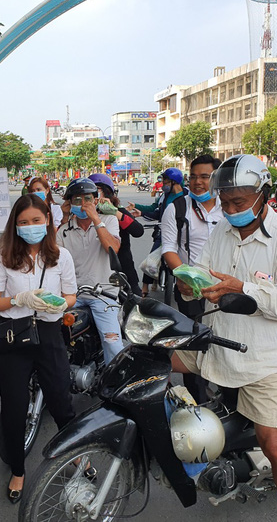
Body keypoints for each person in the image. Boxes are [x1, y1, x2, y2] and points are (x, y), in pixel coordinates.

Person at [172, 154, 277, 522]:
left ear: (263, 195)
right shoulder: (221, 230)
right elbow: (203, 273)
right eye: (225, 202)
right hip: (219, 340)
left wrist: (244, 288)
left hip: (265, 358)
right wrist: (191, 285)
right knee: (152, 361)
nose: (230, 209)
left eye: (239, 202)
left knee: (275, 442)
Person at [0, 194, 77, 503]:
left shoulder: (61, 256)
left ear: (47, 220)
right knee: (13, 408)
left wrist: (61, 304)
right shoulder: (4, 256)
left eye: (36, 220)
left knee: (61, 402)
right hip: (15, 338)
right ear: (15, 225)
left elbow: (71, 295)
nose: (30, 227)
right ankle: (18, 470)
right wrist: (18, 300)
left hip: (50, 335)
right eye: (23, 222)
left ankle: (77, 455)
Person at [160, 155, 223, 402]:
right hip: (192, 290)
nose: (198, 182)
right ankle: (200, 401)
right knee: (195, 346)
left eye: (205, 177)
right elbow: (169, 250)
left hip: (225, 287)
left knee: (226, 341)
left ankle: (227, 392)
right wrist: (186, 278)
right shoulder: (177, 208)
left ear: (216, 178)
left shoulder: (228, 207)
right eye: (193, 176)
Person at [57, 178, 123, 363]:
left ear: (96, 200)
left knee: (113, 344)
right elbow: (53, 262)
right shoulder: (63, 231)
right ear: (69, 204)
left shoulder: (108, 221)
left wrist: (95, 219)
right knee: (54, 336)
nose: (83, 204)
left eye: (88, 199)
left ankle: (112, 385)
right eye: (77, 200)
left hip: (103, 295)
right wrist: (63, 218)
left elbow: (113, 249)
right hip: (72, 296)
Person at [128, 167, 187, 296]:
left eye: (165, 182)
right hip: (164, 232)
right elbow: (156, 211)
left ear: (174, 182)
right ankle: (145, 287)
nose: (163, 185)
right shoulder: (163, 197)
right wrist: (139, 210)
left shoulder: (187, 197)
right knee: (151, 261)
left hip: (182, 234)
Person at [88, 173, 144, 296]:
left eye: (96, 191)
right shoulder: (83, 215)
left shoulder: (117, 210)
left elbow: (138, 231)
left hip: (122, 269)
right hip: (94, 274)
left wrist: (115, 212)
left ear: (107, 192)